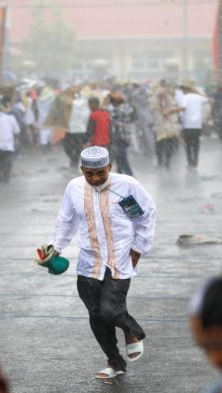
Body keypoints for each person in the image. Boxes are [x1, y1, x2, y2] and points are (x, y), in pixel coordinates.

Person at [49, 146, 156, 379]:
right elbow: (66, 220)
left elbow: (145, 215)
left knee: (109, 310)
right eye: (89, 174)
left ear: (109, 167)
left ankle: (132, 331)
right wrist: (55, 248)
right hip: (89, 262)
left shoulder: (127, 186)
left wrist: (139, 248)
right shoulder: (74, 188)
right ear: (82, 170)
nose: (95, 178)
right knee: (96, 315)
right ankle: (115, 362)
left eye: (100, 173)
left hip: (120, 260)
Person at [0, 98, 21, 183]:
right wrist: (16, 141)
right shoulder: (11, 118)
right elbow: (16, 131)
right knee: (7, 163)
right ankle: (6, 179)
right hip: (8, 145)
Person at [151, 81, 182, 169]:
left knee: (161, 143)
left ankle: (163, 161)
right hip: (166, 125)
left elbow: (153, 109)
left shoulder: (156, 98)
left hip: (162, 125)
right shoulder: (170, 99)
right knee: (166, 143)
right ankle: (165, 162)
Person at [178, 82, 209, 170]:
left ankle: (190, 162)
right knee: (196, 144)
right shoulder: (198, 97)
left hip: (187, 125)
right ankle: (195, 162)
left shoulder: (185, 97)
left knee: (188, 145)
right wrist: (198, 92)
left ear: (186, 89)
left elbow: (183, 108)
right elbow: (207, 99)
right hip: (197, 125)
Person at [108, 92, 135, 176]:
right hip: (125, 137)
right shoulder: (127, 108)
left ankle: (131, 177)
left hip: (120, 137)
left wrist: (104, 102)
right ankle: (122, 177)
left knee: (122, 159)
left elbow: (107, 114)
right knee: (119, 159)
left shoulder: (118, 111)